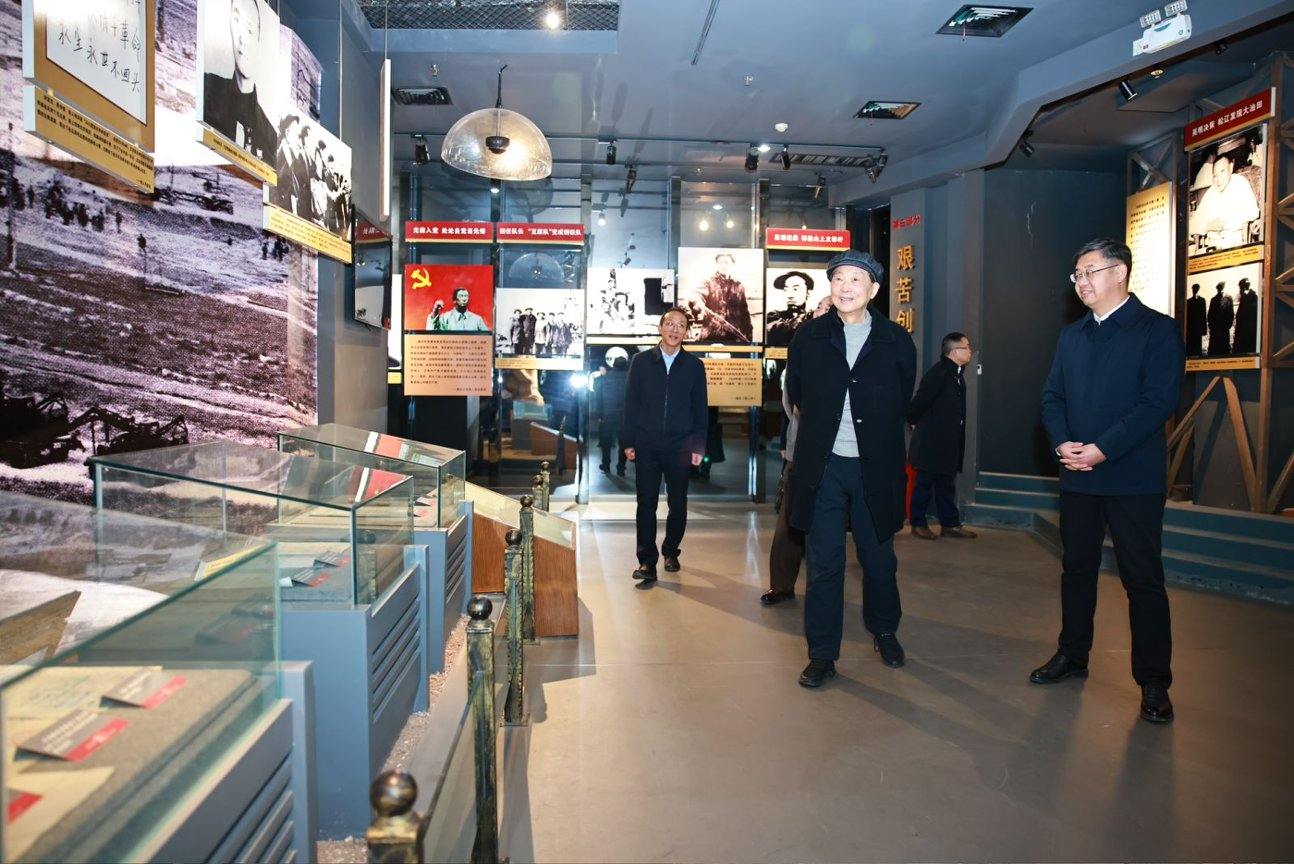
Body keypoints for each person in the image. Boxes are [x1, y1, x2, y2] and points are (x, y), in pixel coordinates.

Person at [1033, 237, 1184, 725]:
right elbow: (1052, 396)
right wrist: (1062, 443)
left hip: (1132, 476)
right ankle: (1072, 653)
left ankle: (1154, 680)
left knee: (1142, 578)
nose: (1081, 282)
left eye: (1090, 272)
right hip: (1077, 473)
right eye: (1077, 275)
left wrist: (1104, 448)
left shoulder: (1157, 330)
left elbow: (1157, 402)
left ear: (1120, 273)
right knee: (1076, 568)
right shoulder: (1072, 336)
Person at [785, 250, 916, 687]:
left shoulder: (896, 341)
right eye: (838, 278)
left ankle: (885, 630)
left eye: (855, 279)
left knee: (878, 559)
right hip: (822, 468)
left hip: (875, 469)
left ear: (874, 289)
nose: (845, 287)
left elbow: (903, 397)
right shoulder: (809, 337)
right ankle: (822, 653)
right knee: (824, 564)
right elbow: (796, 391)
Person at [622, 308, 708, 586]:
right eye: (669, 323)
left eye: (681, 325)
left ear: (686, 332)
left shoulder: (694, 366)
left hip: (680, 446)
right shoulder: (641, 362)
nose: (674, 329)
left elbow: (700, 409)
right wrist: (627, 441)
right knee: (646, 502)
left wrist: (698, 446)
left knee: (678, 503)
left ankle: (671, 551)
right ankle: (647, 561)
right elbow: (630, 404)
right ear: (660, 328)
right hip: (646, 443)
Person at [762, 297, 833, 607]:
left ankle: (825, 586)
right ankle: (781, 585)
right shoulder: (801, 347)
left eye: (831, 309)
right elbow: (790, 401)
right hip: (802, 447)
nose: (825, 312)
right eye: (822, 307)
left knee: (828, 522)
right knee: (789, 521)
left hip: (839, 451)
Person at [907, 332, 977, 540]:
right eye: (966, 346)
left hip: (948, 442)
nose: (970, 350)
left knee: (946, 484)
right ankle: (918, 523)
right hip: (931, 442)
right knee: (924, 484)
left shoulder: (956, 375)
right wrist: (913, 420)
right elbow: (919, 402)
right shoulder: (938, 374)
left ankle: (950, 525)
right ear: (954, 351)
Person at [203, 0, 277, 162]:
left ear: (259, 40)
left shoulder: (270, 136)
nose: (242, 39)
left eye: (249, 30)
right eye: (237, 21)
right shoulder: (206, 90)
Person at [1190, 144, 1259, 251]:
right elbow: (1193, 225)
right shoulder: (1211, 192)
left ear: (1230, 167)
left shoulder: (1240, 183)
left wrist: (1227, 223)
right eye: (1215, 176)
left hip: (1236, 245)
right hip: (1212, 248)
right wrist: (1208, 226)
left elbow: (1253, 212)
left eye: (1222, 172)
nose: (1218, 180)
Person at [688, 252, 753, 342]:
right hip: (711, 334)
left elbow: (744, 312)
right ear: (716, 264)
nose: (723, 265)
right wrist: (697, 303)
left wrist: (749, 333)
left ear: (732, 264)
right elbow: (697, 294)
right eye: (720, 262)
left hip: (734, 336)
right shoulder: (708, 281)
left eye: (726, 262)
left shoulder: (738, 286)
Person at [595, 352, 630, 476]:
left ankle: (606, 465)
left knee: (606, 442)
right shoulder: (630, 378)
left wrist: (600, 415)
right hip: (624, 416)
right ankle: (621, 468)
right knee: (623, 443)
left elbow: (599, 398)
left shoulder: (604, 378)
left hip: (607, 414)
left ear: (613, 365)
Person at [766, 270, 813, 347]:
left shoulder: (813, 317)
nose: (790, 295)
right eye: (786, 290)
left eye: (795, 289)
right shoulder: (773, 317)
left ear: (808, 294)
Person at [1207, 281, 1233, 356]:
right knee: (1214, 349)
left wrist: (1228, 325)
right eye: (1219, 288)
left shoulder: (1228, 298)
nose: (1220, 289)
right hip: (1215, 329)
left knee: (1224, 349)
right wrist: (1211, 325)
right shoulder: (1213, 299)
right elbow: (1210, 314)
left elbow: (1231, 313)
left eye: (1221, 288)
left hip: (1224, 328)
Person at [1233, 277, 1259, 354]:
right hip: (1243, 325)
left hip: (1249, 325)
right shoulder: (1242, 296)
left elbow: (1253, 310)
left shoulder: (1252, 296)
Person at [1185, 283, 1207, 356]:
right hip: (1191, 327)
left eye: (1196, 289)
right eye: (1193, 289)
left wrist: (1204, 329)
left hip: (1198, 327)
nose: (1194, 290)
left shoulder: (1202, 300)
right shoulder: (1188, 301)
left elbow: (1203, 315)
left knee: (1197, 344)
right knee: (1191, 345)